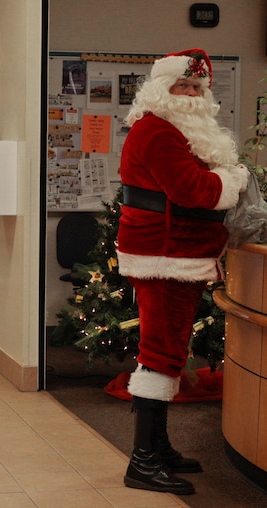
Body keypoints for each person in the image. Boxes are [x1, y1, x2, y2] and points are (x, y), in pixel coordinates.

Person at [116, 48, 249, 495]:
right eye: (182, 86)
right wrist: (234, 181)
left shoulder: (173, 130)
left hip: (177, 256)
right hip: (164, 256)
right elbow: (193, 190)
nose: (190, 94)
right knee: (160, 354)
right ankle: (143, 461)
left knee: (168, 350)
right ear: (161, 89)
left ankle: (160, 447)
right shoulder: (157, 131)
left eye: (196, 87)